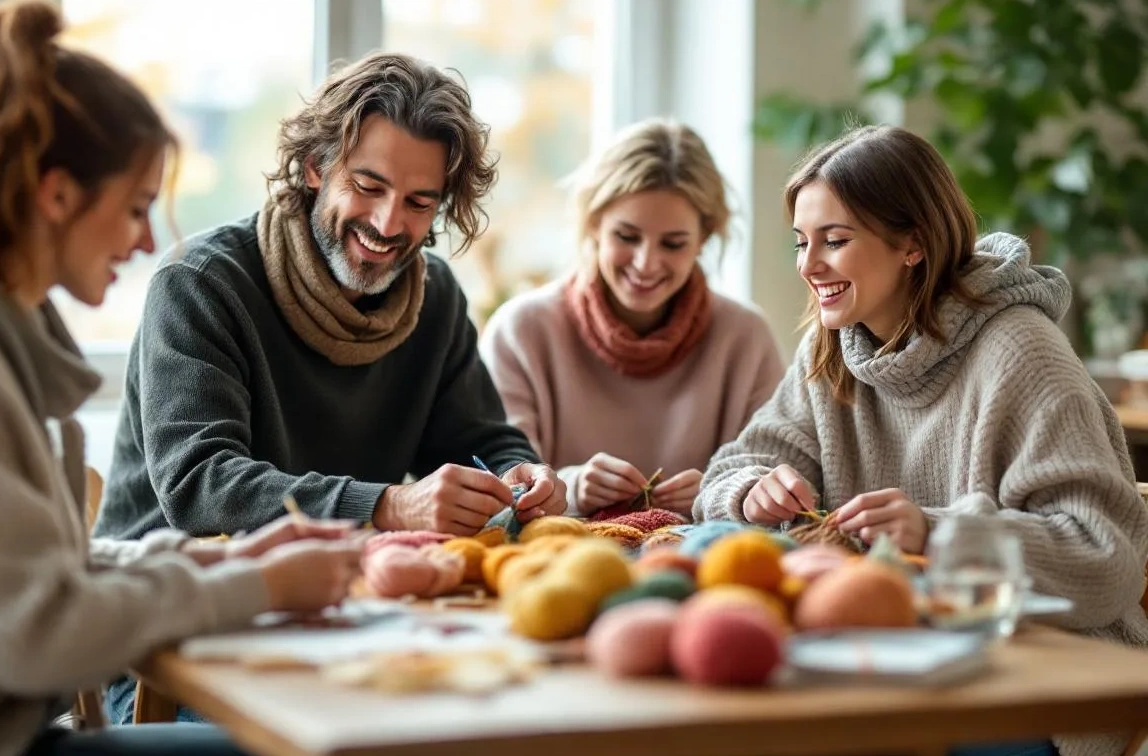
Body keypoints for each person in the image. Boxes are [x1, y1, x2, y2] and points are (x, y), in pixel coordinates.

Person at [0, 3, 364, 755]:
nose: (149, 242)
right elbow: (37, 634)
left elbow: (35, 576)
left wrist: (222, 557)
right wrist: (258, 588)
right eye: (135, 208)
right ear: (57, 195)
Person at [697, 125, 1148, 756]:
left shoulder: (1022, 354)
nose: (809, 265)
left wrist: (936, 533)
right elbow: (727, 472)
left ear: (911, 242)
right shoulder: (831, 351)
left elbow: (1107, 561)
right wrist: (751, 491)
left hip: (1037, 679)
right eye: (802, 242)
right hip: (895, 657)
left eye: (835, 240)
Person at [93, 51, 567, 543]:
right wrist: (389, 504)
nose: (387, 224)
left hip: (328, 584)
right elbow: (200, 487)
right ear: (316, 167)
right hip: (163, 586)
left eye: (419, 203)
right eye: (368, 186)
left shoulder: (435, 296)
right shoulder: (200, 283)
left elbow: (476, 438)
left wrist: (520, 472)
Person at [479, 119, 784, 520]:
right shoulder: (520, 331)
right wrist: (571, 488)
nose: (646, 263)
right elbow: (497, 487)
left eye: (673, 244)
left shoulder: (746, 337)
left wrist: (722, 490)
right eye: (626, 236)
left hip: (702, 570)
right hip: (556, 563)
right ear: (594, 224)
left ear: (704, 238)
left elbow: (776, 479)